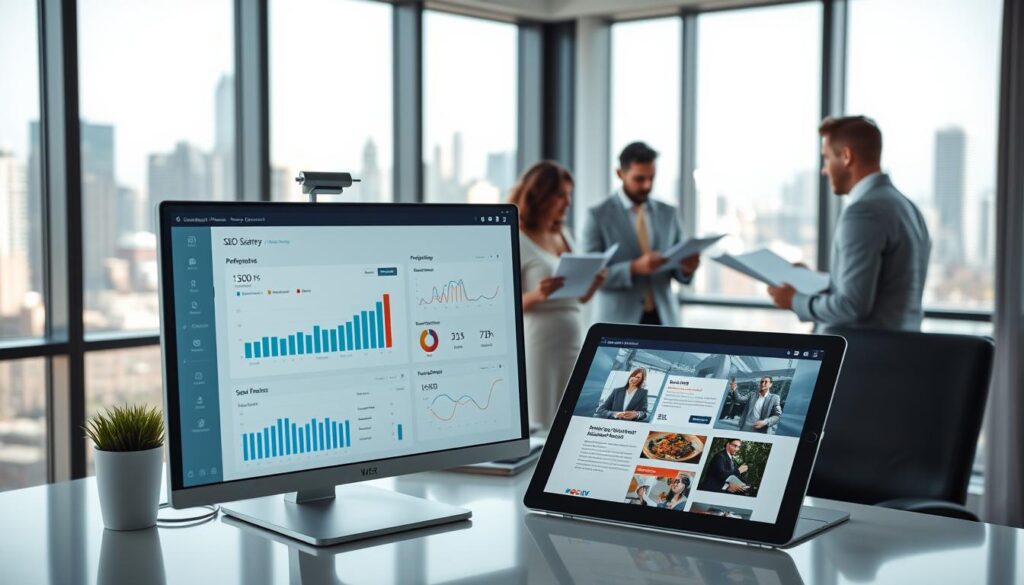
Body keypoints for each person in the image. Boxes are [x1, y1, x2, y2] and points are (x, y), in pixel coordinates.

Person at [767, 116, 932, 331]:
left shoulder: (862, 212)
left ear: (846, 156)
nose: (824, 170)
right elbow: (885, 290)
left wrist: (794, 300)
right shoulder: (906, 207)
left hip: (861, 356)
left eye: (826, 159)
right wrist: (815, 280)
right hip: (898, 351)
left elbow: (851, 306)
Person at [512, 161, 606, 428]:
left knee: (569, 418)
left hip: (573, 337)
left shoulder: (563, 234)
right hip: (540, 342)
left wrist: (592, 283)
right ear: (539, 196)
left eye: (569, 195)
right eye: (560, 195)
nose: (567, 202)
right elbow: (505, 306)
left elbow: (577, 298)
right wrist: (538, 295)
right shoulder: (518, 237)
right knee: (540, 417)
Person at [582, 142, 700, 326]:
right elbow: (589, 275)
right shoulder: (598, 215)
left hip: (664, 319)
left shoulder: (669, 213)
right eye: (639, 179)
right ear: (620, 174)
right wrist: (634, 268)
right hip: (618, 321)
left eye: (652, 178)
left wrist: (686, 268)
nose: (647, 185)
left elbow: (678, 269)